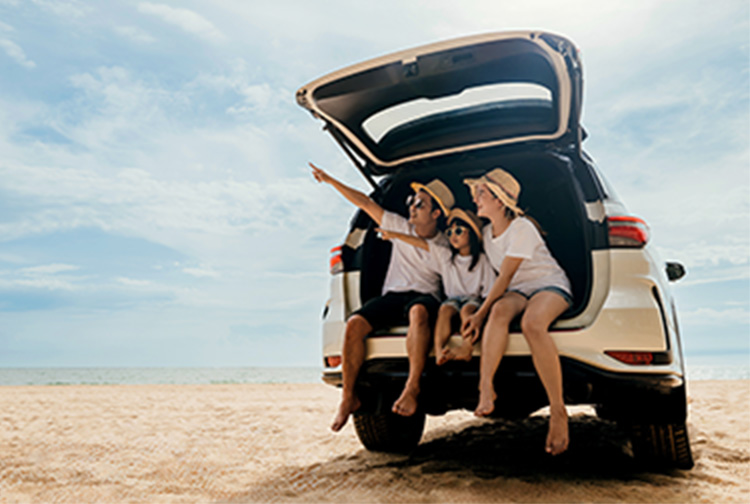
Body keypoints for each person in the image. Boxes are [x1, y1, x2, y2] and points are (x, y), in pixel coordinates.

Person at [309, 162, 455, 432]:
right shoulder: (400, 224)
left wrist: (397, 236)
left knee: (418, 313)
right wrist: (331, 180)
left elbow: (430, 248)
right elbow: (365, 202)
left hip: (425, 297)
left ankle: (411, 388)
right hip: (394, 295)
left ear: (436, 213)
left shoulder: (445, 242)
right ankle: (348, 397)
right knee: (354, 323)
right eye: (412, 201)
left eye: (420, 204)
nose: (412, 206)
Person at [460, 167, 573, 456]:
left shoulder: (522, 227)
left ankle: (558, 411)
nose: (475, 198)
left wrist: (478, 314)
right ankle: (486, 387)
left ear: (499, 200)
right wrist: (476, 310)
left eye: (481, 193)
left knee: (532, 324)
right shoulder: (486, 233)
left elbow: (505, 276)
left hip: (548, 284)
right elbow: (497, 281)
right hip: (518, 291)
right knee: (499, 312)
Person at [376, 207, 496, 365]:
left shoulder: (482, 260)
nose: (453, 236)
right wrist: (395, 235)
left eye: (459, 231)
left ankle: (467, 347)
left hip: (473, 300)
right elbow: (422, 244)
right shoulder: (446, 256)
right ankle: (440, 351)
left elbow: (490, 289)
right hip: (452, 300)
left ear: (471, 234)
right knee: (445, 310)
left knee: (467, 310)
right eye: (450, 233)